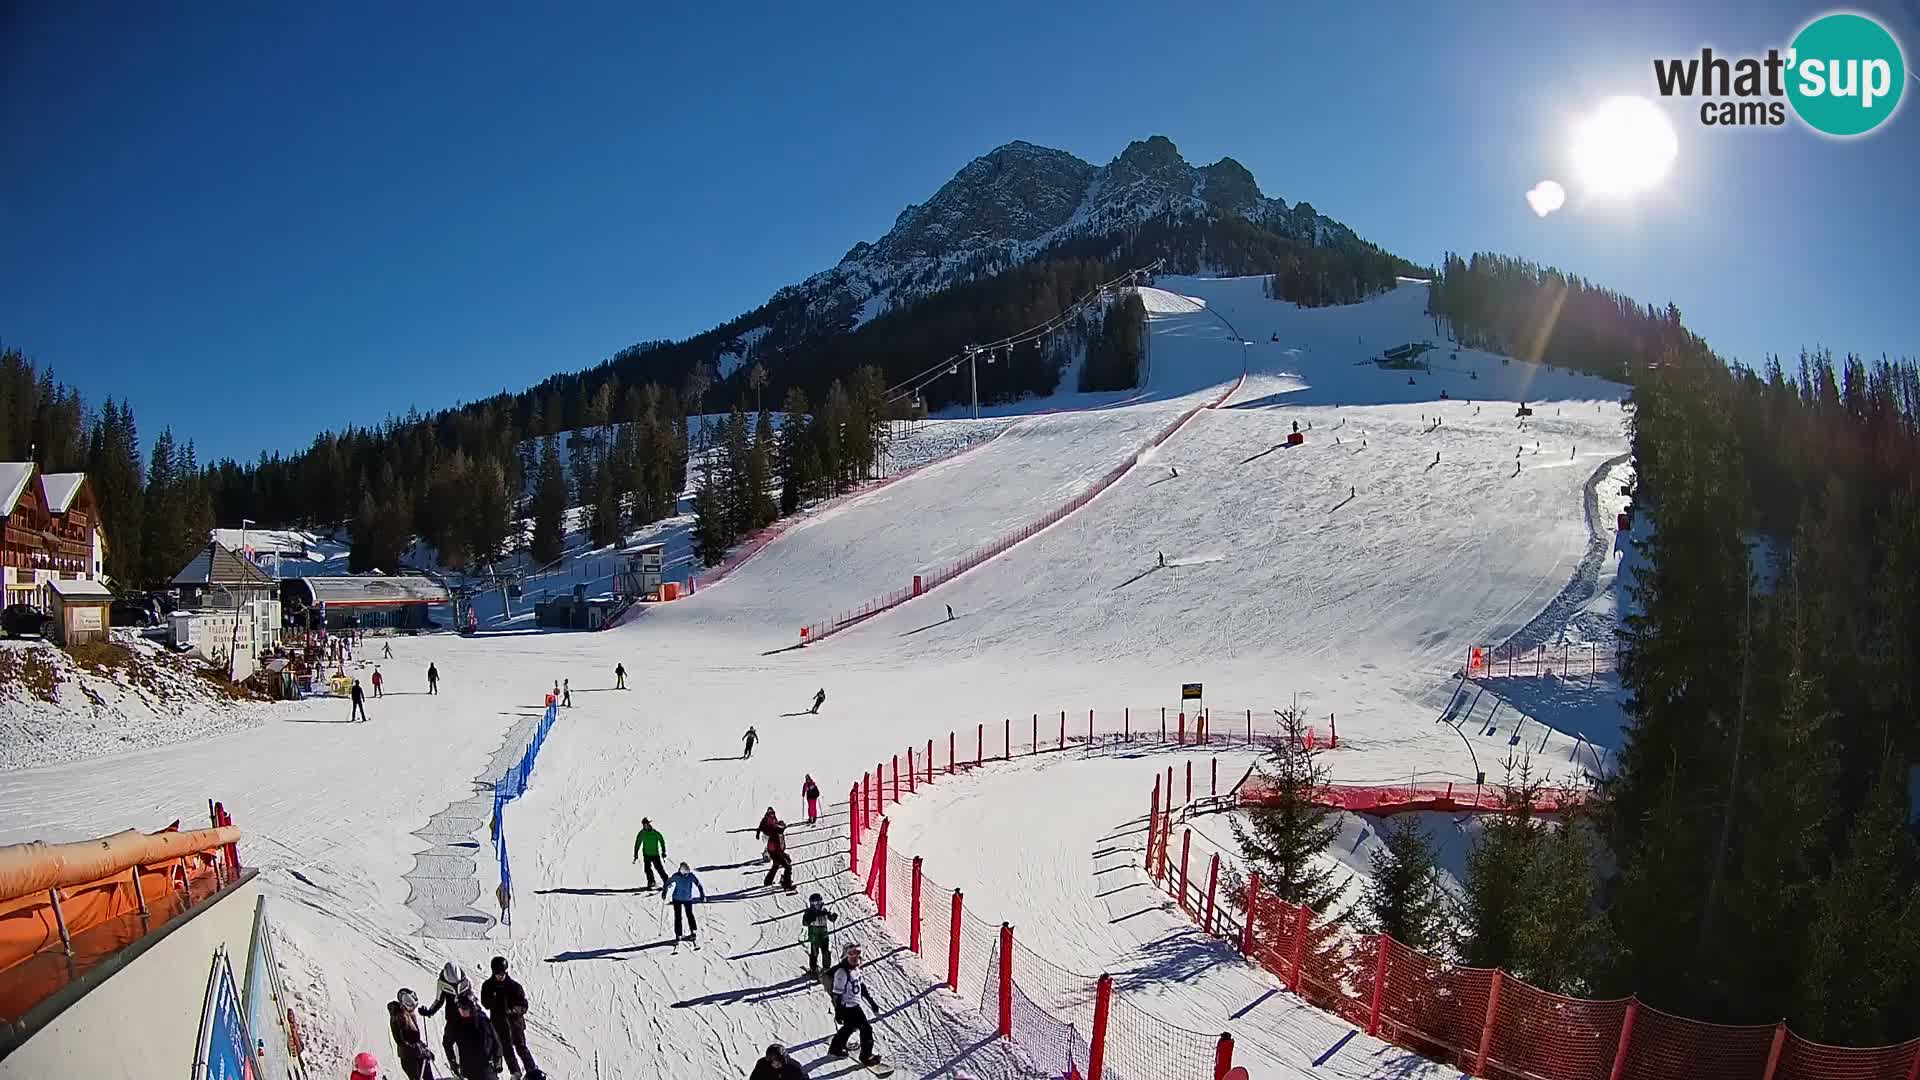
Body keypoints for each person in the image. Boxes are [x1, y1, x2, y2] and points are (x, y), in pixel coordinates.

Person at [481, 956, 539, 1079]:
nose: (500, 976)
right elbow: (485, 1003)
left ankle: (532, 1070)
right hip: (499, 1023)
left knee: (521, 1047)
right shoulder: (488, 986)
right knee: (507, 1050)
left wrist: (514, 1010)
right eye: (497, 974)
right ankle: (515, 1072)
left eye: (502, 973)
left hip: (515, 1023)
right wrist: (495, 1001)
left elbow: (524, 1005)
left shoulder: (514, 986)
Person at [826, 943, 882, 1066]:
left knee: (850, 1027)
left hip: (854, 1004)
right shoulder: (841, 972)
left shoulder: (856, 968)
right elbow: (837, 995)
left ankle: (835, 1048)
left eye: (857, 953)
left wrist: (872, 1002)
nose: (855, 956)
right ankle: (866, 1056)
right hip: (848, 1007)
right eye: (851, 953)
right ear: (846, 955)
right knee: (866, 1029)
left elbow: (861, 986)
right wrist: (838, 1012)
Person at [442, 991, 502, 1080]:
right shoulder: (455, 1023)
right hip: (468, 1066)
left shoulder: (482, 1020)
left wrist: (498, 1059)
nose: (462, 1011)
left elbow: (495, 1039)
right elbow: (447, 1043)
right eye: (460, 1008)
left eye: (465, 1008)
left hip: (486, 1065)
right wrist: (452, 1061)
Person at [389, 990, 436, 1080]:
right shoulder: (399, 1019)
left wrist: (423, 1048)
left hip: (418, 1054)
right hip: (409, 1058)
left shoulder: (408, 1015)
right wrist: (422, 1051)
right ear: (404, 1006)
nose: (413, 1009)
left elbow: (414, 1039)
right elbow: (404, 1043)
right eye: (411, 1007)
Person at [665, 862, 706, 945]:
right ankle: (678, 934)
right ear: (681, 872)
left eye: (687, 873)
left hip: (687, 899)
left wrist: (702, 894)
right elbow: (668, 883)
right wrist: (664, 891)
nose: (686, 875)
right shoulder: (676, 876)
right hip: (677, 899)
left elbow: (698, 885)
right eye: (685, 874)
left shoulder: (691, 876)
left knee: (690, 915)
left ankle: (693, 931)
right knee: (678, 917)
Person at [800, 894, 838, 974]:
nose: (818, 905)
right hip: (814, 935)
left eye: (819, 902)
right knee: (814, 952)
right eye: (816, 903)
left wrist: (833, 917)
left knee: (826, 951)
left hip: (824, 934)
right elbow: (804, 923)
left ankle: (826, 968)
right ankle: (813, 968)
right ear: (812, 904)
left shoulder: (824, 910)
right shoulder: (809, 912)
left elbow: (830, 917)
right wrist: (810, 919)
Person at [633, 817, 669, 893]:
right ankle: (651, 882)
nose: (645, 826)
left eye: (646, 824)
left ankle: (667, 881)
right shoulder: (642, 833)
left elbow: (662, 841)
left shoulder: (655, 833)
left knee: (659, 868)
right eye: (644, 825)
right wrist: (636, 853)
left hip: (655, 854)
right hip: (646, 854)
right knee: (647, 869)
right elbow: (637, 843)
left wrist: (663, 852)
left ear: (649, 824)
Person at [762, 816, 793, 891]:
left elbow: (781, 846)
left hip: (779, 853)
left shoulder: (780, 834)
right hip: (776, 854)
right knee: (788, 867)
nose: (784, 829)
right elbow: (771, 847)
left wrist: (783, 853)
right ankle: (787, 884)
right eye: (783, 828)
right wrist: (776, 855)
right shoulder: (775, 835)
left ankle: (767, 881)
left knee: (776, 866)